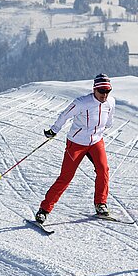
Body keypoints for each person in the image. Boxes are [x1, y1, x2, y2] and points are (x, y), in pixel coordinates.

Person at [35, 74, 116, 223]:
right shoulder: (81, 103)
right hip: (77, 143)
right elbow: (64, 115)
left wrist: (97, 129)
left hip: (96, 141)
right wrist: (54, 130)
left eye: (108, 91)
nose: (105, 95)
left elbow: (109, 122)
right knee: (66, 177)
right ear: (95, 90)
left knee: (103, 170)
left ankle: (101, 204)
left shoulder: (110, 102)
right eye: (102, 91)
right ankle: (44, 210)